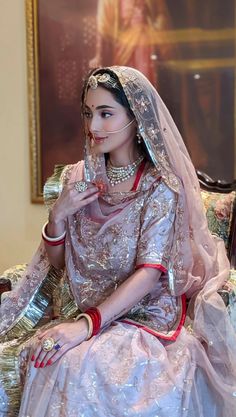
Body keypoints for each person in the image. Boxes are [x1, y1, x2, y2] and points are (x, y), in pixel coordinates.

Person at [0, 66, 236, 417]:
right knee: (47, 355)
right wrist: (58, 216)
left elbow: (150, 273)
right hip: (83, 307)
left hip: (144, 316)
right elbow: (62, 263)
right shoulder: (78, 177)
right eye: (87, 113)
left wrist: (86, 326)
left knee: (79, 366)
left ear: (136, 119)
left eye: (106, 114)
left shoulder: (161, 187)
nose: (93, 126)